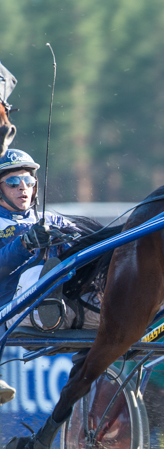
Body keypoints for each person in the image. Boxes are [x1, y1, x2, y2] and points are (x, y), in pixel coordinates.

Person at [0, 148, 79, 403]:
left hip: (60, 305)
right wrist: (25, 244)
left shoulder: (52, 219)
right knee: (37, 273)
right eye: (13, 182)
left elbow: (83, 242)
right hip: (9, 309)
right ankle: (45, 295)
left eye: (29, 181)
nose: (23, 187)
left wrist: (71, 242)